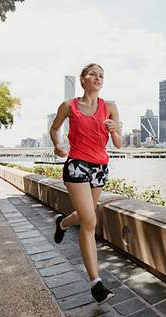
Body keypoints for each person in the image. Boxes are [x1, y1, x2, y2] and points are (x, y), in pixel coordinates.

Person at [50, 63, 121, 304]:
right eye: (93, 74)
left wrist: (114, 130)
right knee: (90, 220)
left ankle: (63, 222)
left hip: (100, 168)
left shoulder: (110, 107)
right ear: (83, 80)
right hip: (77, 165)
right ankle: (95, 284)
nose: (98, 78)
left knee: (84, 215)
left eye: (102, 75)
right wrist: (57, 145)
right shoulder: (69, 106)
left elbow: (119, 143)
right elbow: (55, 128)